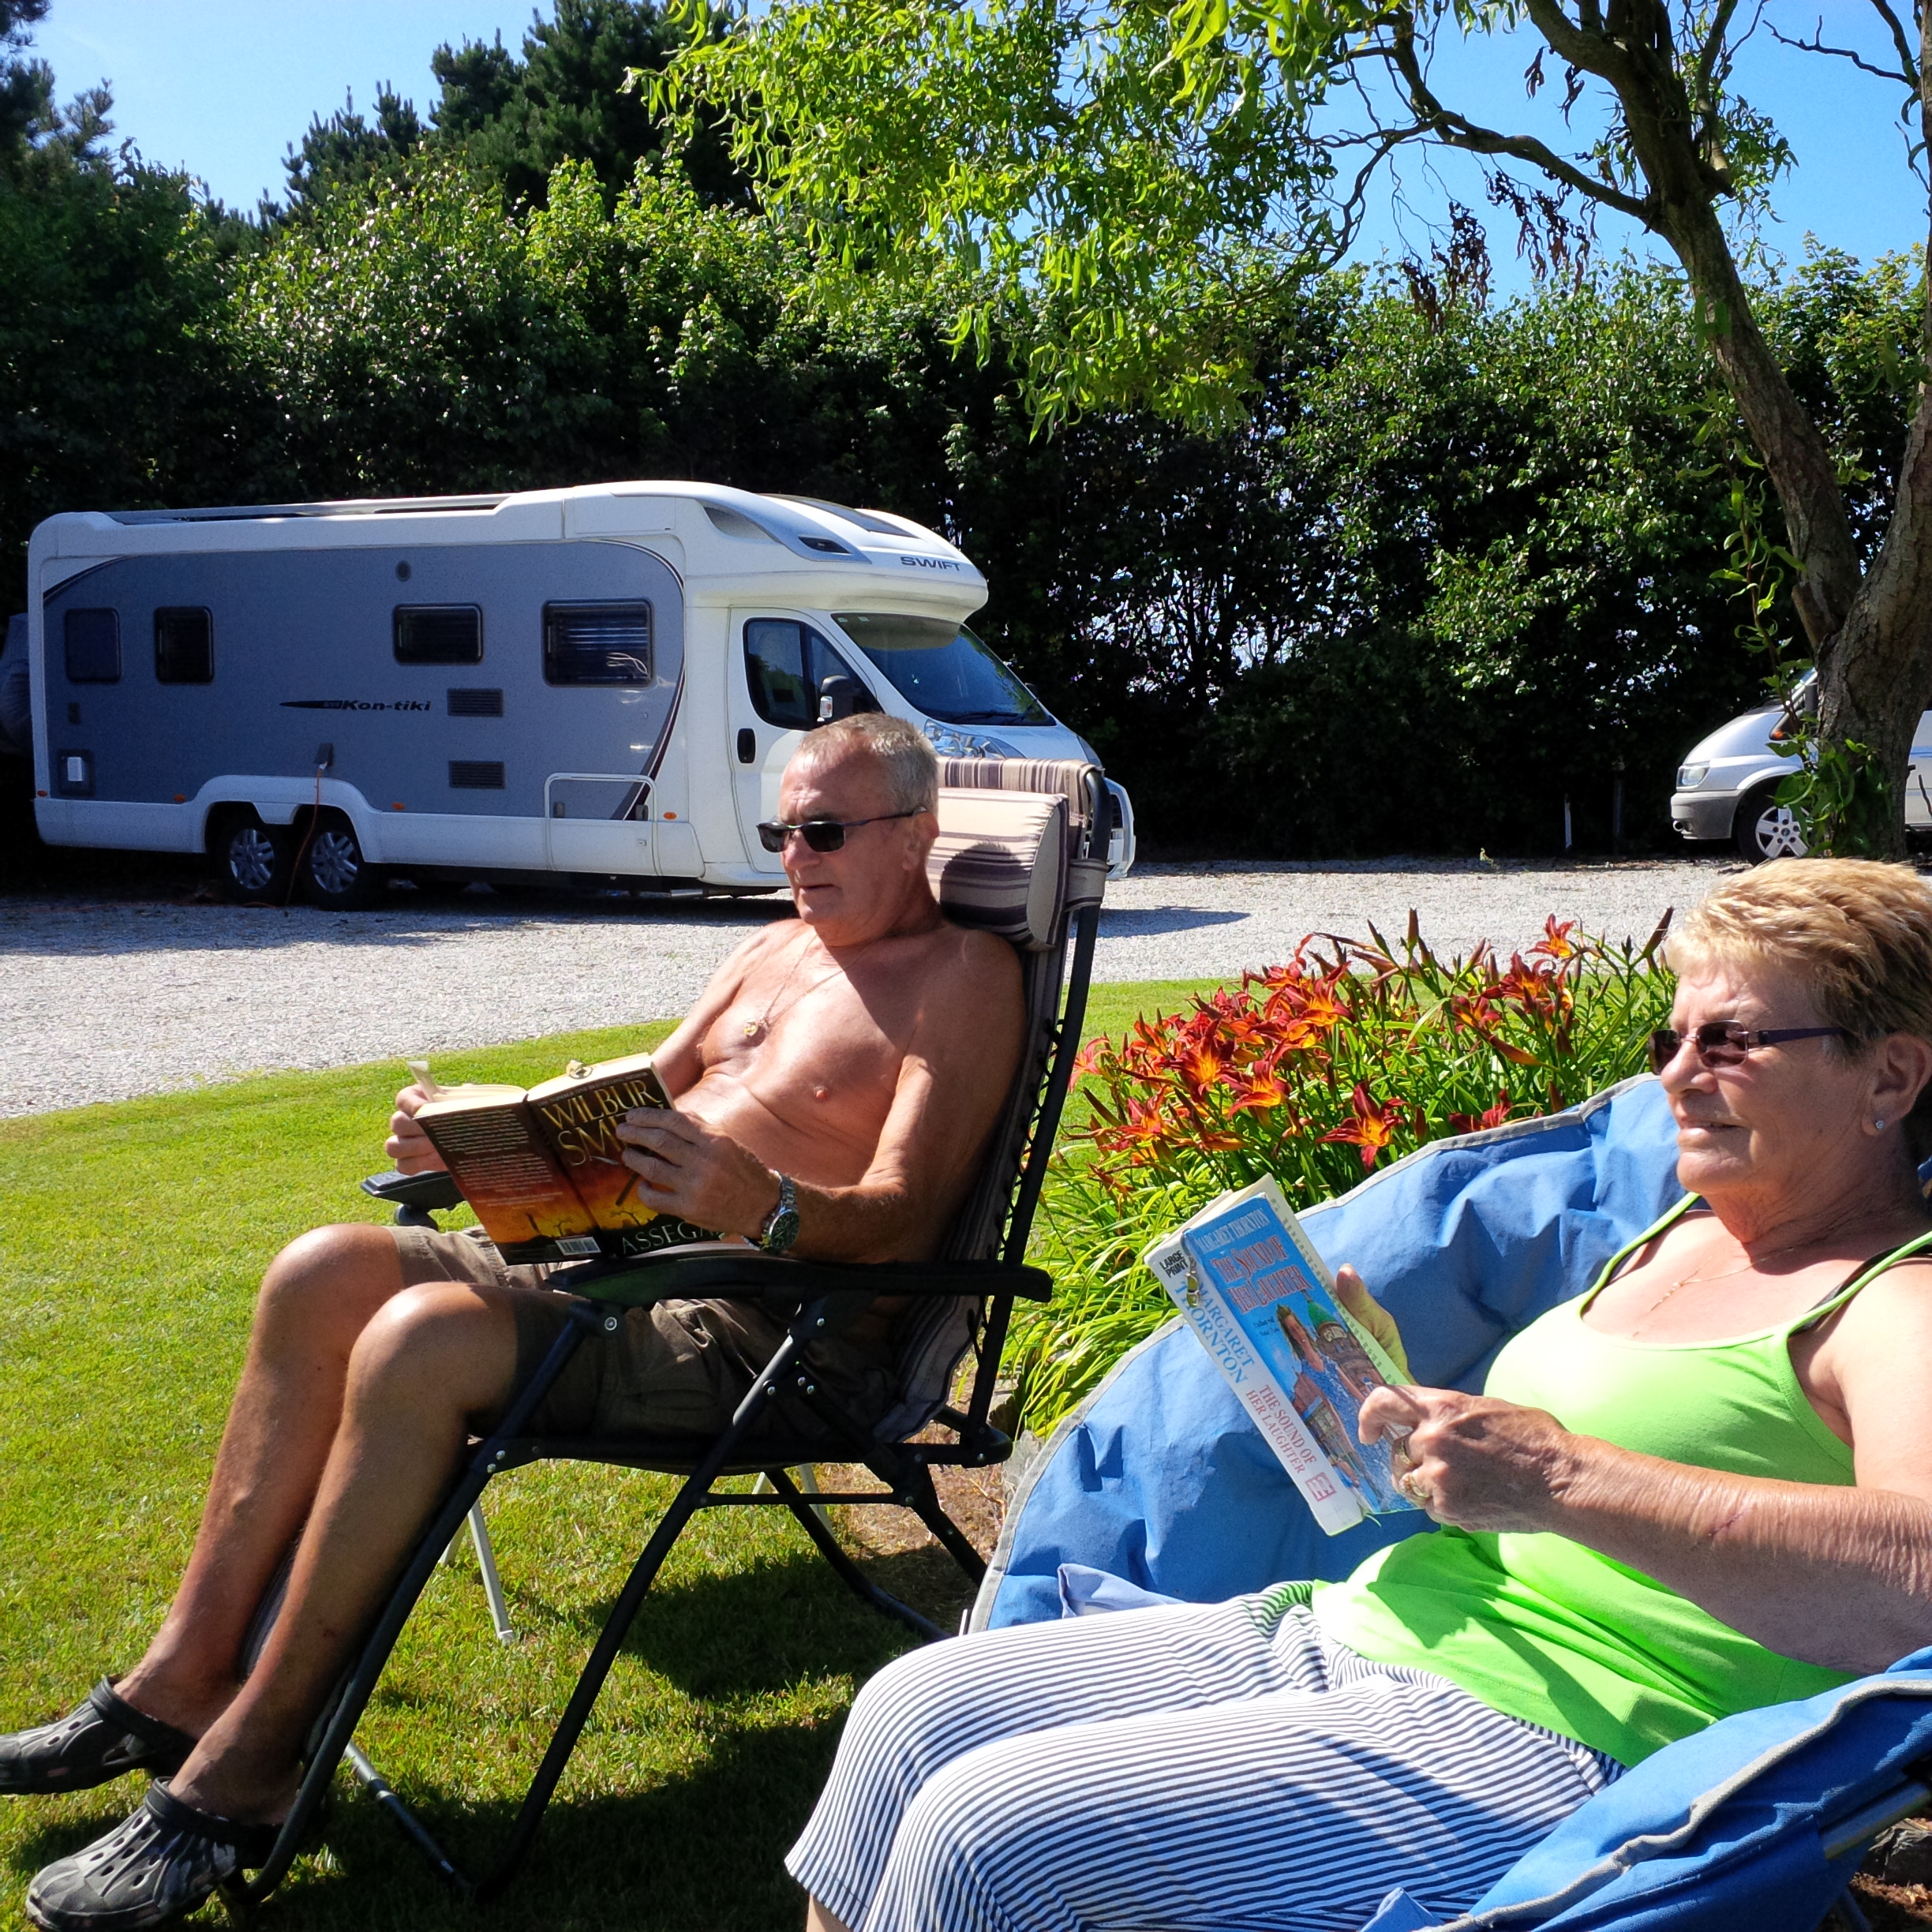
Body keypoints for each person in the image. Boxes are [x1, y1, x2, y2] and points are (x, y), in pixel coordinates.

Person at [2, 713, 1025, 1932]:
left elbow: (903, 1214)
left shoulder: (964, 978)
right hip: (615, 1261)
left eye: (823, 831)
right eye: (780, 831)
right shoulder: (771, 951)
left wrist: (770, 1210)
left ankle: (254, 1765)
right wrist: (484, 1125)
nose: (794, 857)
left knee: (419, 1340)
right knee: (320, 1269)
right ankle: (179, 1682)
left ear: (917, 834)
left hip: (763, 1332)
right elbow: (645, 1090)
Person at [786, 857, 1932, 1932]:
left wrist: (1554, 1474)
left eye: (1733, 1041)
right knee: (911, 1709)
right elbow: (1604, 1478)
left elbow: (1919, 1579)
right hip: (1381, 1625)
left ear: (1890, 1072)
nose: (1677, 1074)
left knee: (991, 1834)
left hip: (1571, 1732)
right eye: (1672, 1035)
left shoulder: (1897, 1304)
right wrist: (1395, 1404)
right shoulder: (1690, 1228)